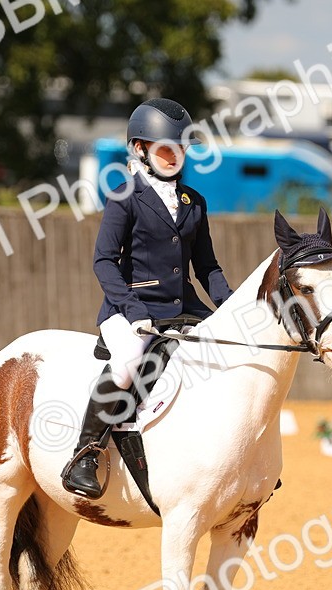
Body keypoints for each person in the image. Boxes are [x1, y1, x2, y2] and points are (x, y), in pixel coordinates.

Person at [61, 98, 233, 499]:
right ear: (140, 149)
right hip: (129, 308)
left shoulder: (194, 203)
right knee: (128, 362)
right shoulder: (125, 197)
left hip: (183, 308)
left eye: (181, 149)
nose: (175, 157)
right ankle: (85, 454)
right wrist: (133, 308)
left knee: (227, 353)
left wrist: (231, 306)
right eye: (165, 149)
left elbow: (207, 267)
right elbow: (104, 261)